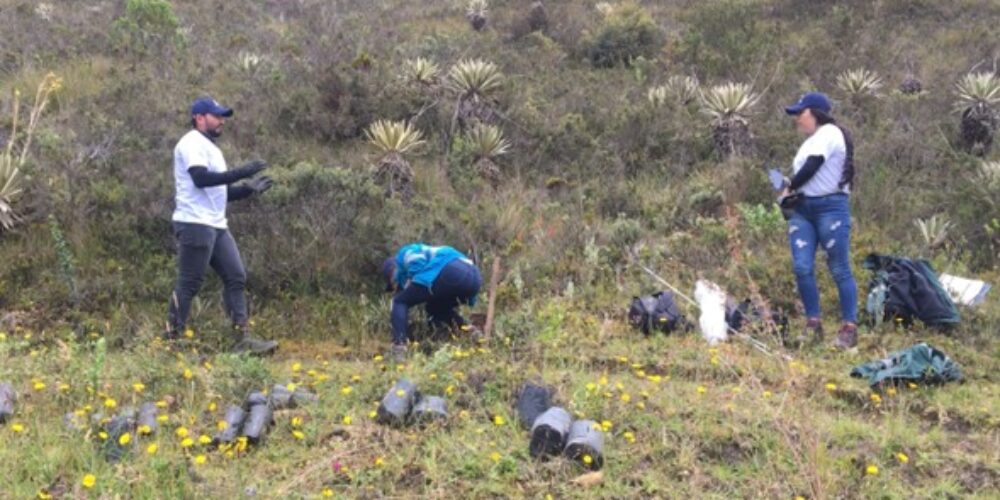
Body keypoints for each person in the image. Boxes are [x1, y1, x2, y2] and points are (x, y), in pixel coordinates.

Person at [166, 96, 278, 355]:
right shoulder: (191, 143)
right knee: (189, 283)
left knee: (236, 276)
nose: (222, 121)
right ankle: (172, 341)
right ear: (199, 118)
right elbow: (201, 180)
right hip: (194, 222)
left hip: (215, 224)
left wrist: (247, 190)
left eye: (222, 116)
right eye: (216, 116)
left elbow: (220, 192)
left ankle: (242, 339)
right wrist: (242, 172)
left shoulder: (213, 149)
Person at [781, 92, 859, 349]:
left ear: (815, 112)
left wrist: (789, 185)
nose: (797, 119)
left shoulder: (829, 133)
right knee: (802, 266)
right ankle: (813, 323)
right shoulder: (810, 141)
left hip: (830, 207)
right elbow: (809, 172)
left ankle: (849, 328)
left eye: (800, 113)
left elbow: (813, 166)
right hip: (804, 208)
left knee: (839, 267)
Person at [382, 243, 482, 359]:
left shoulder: (404, 254)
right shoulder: (429, 252)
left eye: (394, 282)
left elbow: (417, 265)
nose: (397, 286)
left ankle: (398, 348)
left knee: (399, 302)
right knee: (435, 308)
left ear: (394, 271)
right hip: (474, 277)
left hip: (450, 270)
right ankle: (470, 332)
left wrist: (402, 298)